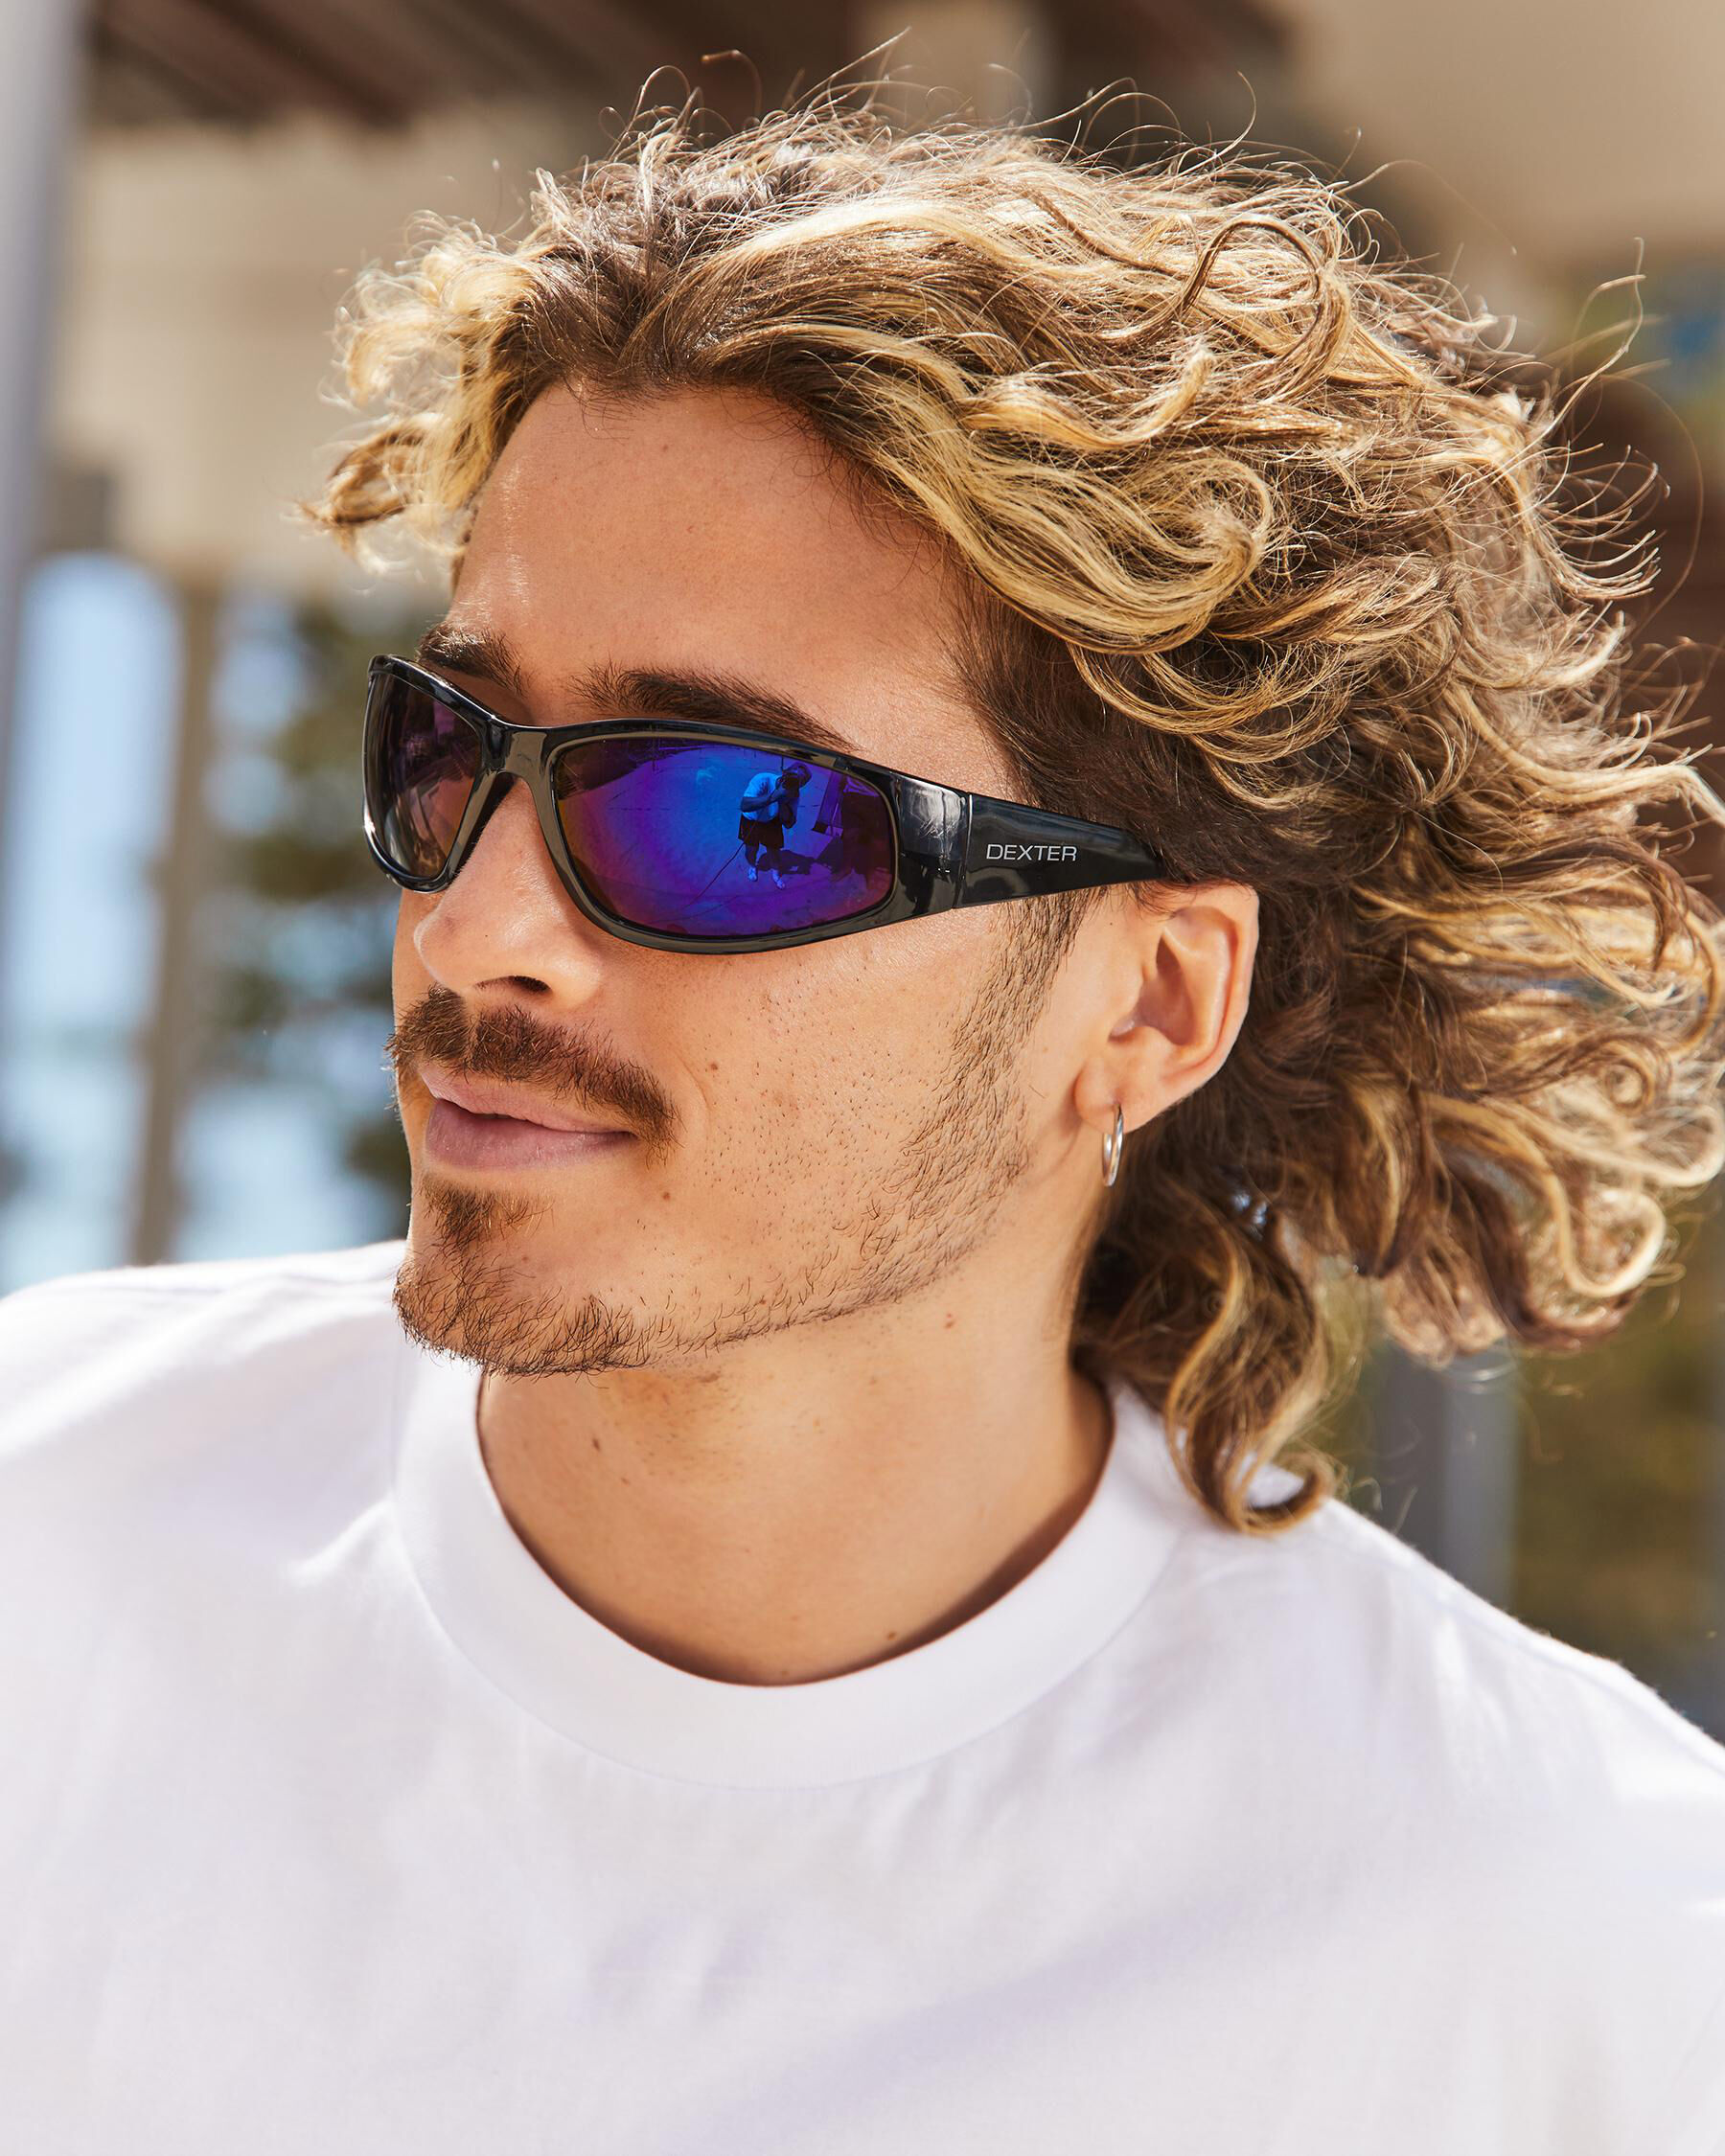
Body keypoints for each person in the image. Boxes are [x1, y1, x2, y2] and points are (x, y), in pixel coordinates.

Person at [4, 90, 1725, 2156]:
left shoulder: (1559, 1935)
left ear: (1152, 1001)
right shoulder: (47, 1541)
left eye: (735, 811)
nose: (475, 929)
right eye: (455, 752)